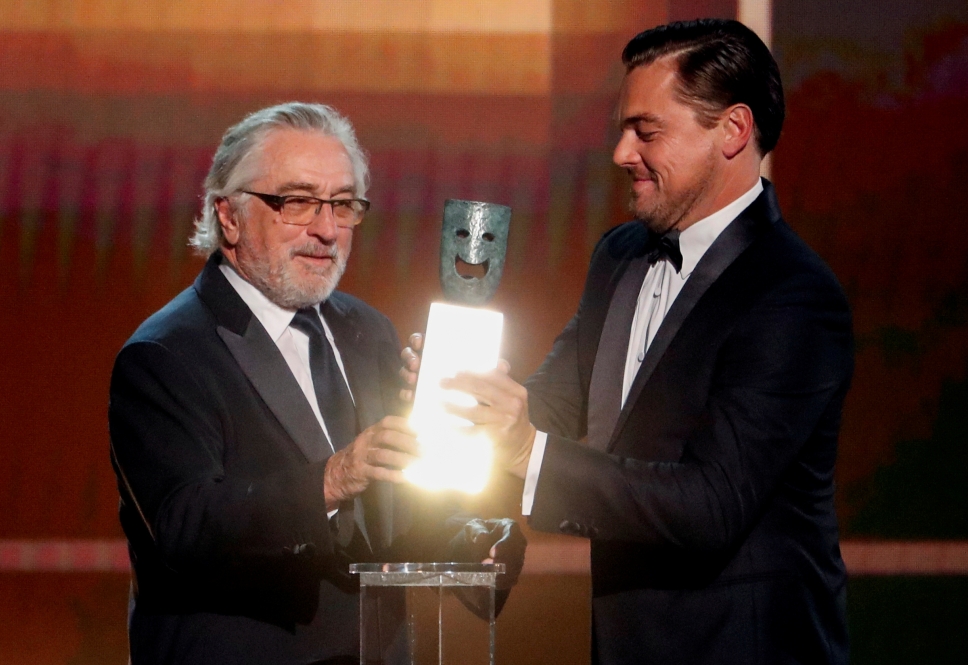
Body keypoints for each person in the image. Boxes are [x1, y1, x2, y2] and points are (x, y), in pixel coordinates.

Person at [404, 19, 853, 665]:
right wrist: (457, 397)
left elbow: (710, 505)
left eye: (647, 131)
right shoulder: (619, 255)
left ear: (732, 131)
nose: (620, 152)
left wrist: (525, 448)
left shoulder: (793, 297)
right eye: (622, 128)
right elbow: (550, 406)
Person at [109, 102, 524, 665]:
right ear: (228, 216)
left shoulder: (368, 332)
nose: (327, 230)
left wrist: (475, 523)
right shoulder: (165, 355)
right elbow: (186, 527)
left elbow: (387, 521)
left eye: (343, 204)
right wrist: (334, 478)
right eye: (298, 202)